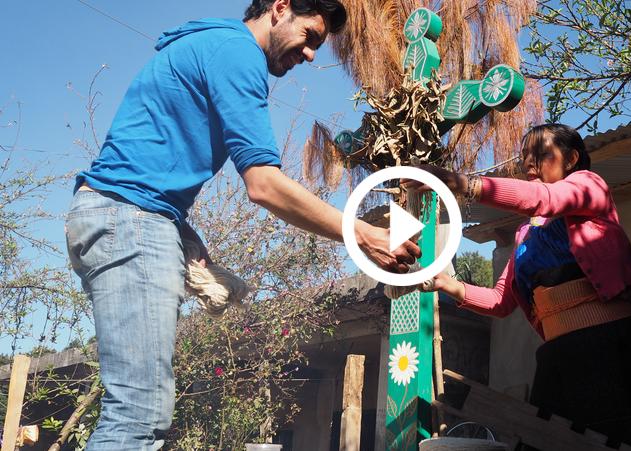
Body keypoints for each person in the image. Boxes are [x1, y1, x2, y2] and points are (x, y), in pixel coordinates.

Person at [65, 1, 420, 449]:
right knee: (137, 414)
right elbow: (264, 185)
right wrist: (362, 234)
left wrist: (182, 237)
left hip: (122, 216)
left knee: (139, 409)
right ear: (280, 8)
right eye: (309, 36)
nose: (311, 55)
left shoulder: (208, 42)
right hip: (128, 220)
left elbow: (144, 162)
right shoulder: (237, 53)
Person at [411, 123, 631, 450]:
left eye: (541, 155)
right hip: (560, 357)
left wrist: (464, 183)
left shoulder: (590, 186)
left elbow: (545, 198)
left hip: (613, 348)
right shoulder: (525, 236)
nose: (529, 165)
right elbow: (501, 301)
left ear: (571, 159)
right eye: (525, 158)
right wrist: (446, 284)